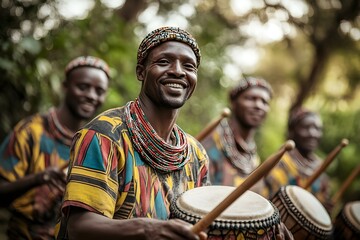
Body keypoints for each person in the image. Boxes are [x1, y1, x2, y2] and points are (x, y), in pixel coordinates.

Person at [55, 27, 210, 240]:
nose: (178, 71)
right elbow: (80, 227)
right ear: (141, 72)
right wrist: (149, 229)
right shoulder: (103, 136)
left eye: (188, 66)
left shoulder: (196, 154)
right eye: (164, 62)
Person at [0, 56, 111, 239]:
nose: (91, 95)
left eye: (99, 91)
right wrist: (39, 178)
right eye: (83, 87)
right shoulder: (31, 132)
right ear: (65, 86)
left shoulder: (96, 142)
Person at [200, 76, 273, 196]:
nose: (258, 105)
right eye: (251, 98)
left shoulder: (252, 157)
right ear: (233, 103)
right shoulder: (211, 142)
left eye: (264, 102)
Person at [264, 108, 332, 210]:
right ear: (292, 131)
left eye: (317, 129)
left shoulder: (321, 167)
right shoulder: (280, 162)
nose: (312, 133)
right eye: (306, 128)